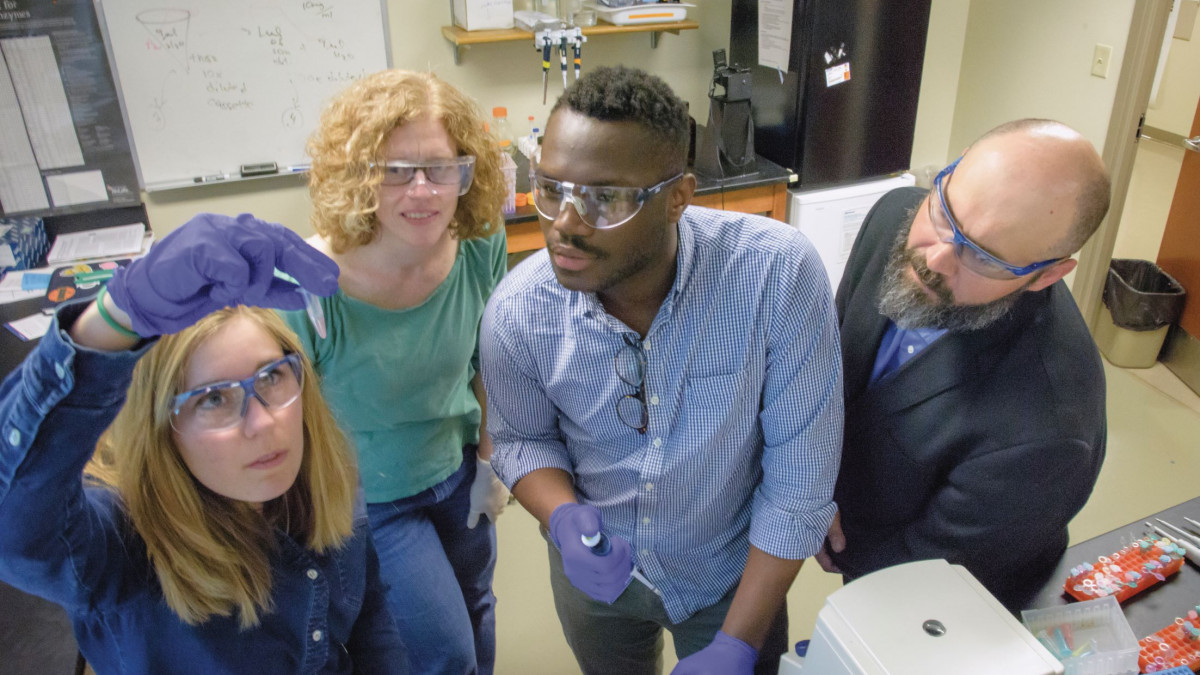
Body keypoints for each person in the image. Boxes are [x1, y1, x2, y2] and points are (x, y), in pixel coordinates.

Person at [479, 65, 843, 675]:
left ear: (679, 197)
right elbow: (522, 439)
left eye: (604, 197)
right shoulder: (518, 311)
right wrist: (561, 514)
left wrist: (739, 644)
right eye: (551, 189)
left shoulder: (776, 276)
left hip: (730, 575)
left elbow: (799, 484)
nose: (565, 223)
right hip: (596, 577)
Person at [0, 214, 407, 674]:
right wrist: (112, 319)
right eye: (213, 398)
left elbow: (371, 617)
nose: (263, 421)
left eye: (271, 376)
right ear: (160, 430)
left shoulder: (324, 474)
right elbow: (16, 525)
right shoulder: (123, 548)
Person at [817, 118, 1111, 612]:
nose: (936, 257)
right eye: (945, 212)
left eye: (986, 257)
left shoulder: (1046, 430)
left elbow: (923, 579)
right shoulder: (897, 216)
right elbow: (835, 363)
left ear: (1047, 274)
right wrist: (809, 488)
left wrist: (850, 571)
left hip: (950, 599)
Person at [280, 69, 509, 675]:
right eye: (395, 171)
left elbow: (492, 359)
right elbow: (283, 424)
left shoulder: (480, 242)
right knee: (445, 657)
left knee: (480, 611)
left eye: (440, 167)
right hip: (371, 499)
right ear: (359, 177)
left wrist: (490, 461)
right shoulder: (310, 286)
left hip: (457, 473)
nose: (422, 192)